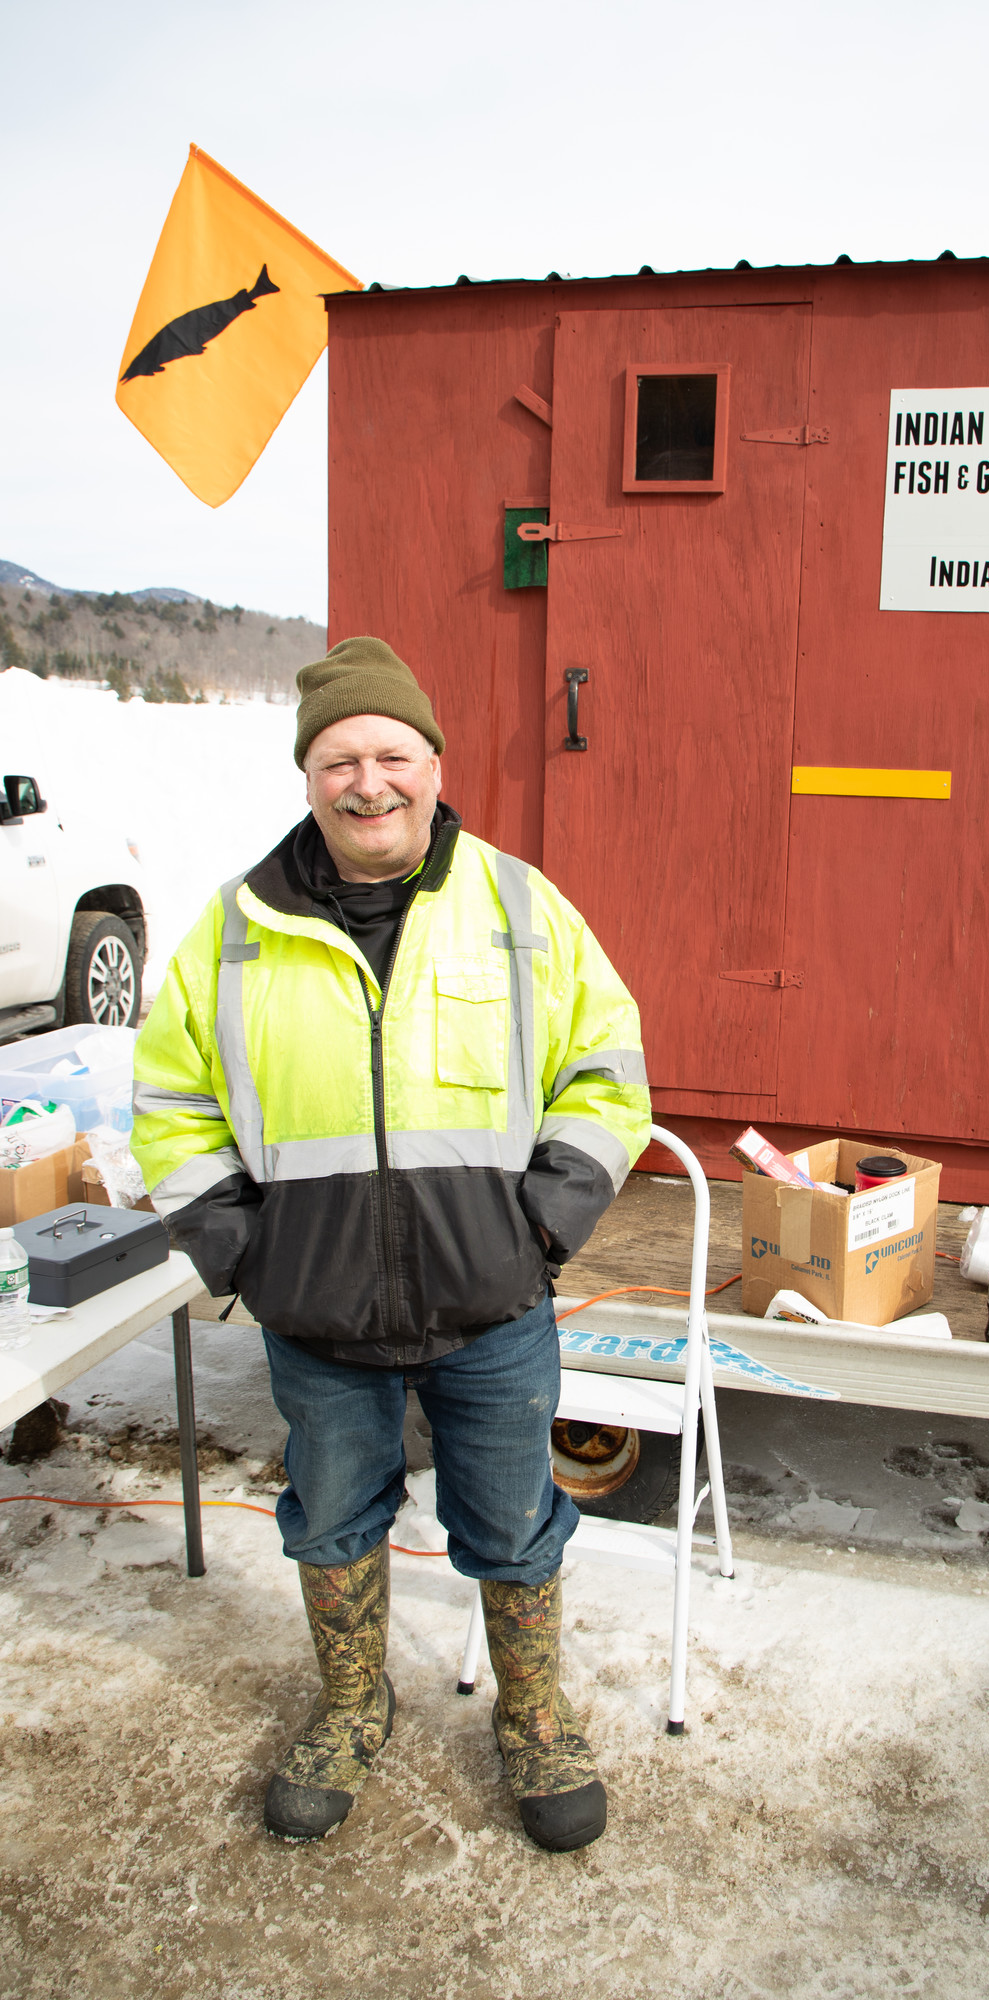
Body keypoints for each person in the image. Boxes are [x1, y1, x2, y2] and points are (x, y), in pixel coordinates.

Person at [131, 636, 650, 1852]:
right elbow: (168, 1100)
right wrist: (241, 1251)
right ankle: (353, 1705)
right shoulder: (237, 929)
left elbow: (607, 1068)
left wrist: (541, 1224)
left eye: (391, 754)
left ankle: (532, 1717)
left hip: (493, 1306)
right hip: (318, 1314)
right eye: (338, 759)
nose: (369, 782)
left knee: (517, 1520)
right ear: (307, 775)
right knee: (327, 1516)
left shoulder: (522, 906)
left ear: (434, 762)